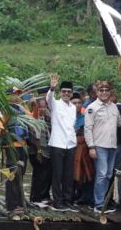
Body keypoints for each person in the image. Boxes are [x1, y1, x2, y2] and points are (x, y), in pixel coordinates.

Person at [84, 81, 121, 214]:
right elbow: (88, 129)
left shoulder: (114, 107)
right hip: (99, 145)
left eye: (106, 90)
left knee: (108, 174)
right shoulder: (92, 107)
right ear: (97, 92)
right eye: (101, 90)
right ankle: (98, 203)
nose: (104, 92)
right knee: (101, 174)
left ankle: (103, 202)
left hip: (112, 145)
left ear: (110, 92)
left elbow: (119, 123)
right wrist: (91, 147)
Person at [0, 88, 31, 215]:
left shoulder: (21, 108)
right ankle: (12, 204)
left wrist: (34, 105)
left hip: (23, 145)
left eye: (18, 94)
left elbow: (31, 118)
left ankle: (20, 202)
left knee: (20, 173)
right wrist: (2, 132)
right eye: (14, 94)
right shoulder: (6, 109)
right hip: (12, 146)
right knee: (12, 175)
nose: (17, 96)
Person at [46, 74, 78, 212]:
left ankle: (67, 200)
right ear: (60, 92)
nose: (66, 94)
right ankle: (57, 201)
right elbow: (48, 99)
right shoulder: (55, 104)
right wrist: (52, 88)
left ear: (71, 94)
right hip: (57, 143)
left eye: (69, 92)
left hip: (70, 144)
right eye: (64, 91)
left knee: (68, 175)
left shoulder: (73, 107)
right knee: (57, 174)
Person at [28, 97, 52, 207]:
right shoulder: (32, 119)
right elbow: (34, 139)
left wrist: (49, 116)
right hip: (36, 151)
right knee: (39, 174)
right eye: (40, 106)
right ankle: (35, 198)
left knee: (45, 174)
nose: (42, 109)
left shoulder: (45, 118)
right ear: (35, 107)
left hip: (46, 151)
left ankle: (42, 197)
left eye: (44, 106)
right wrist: (39, 152)